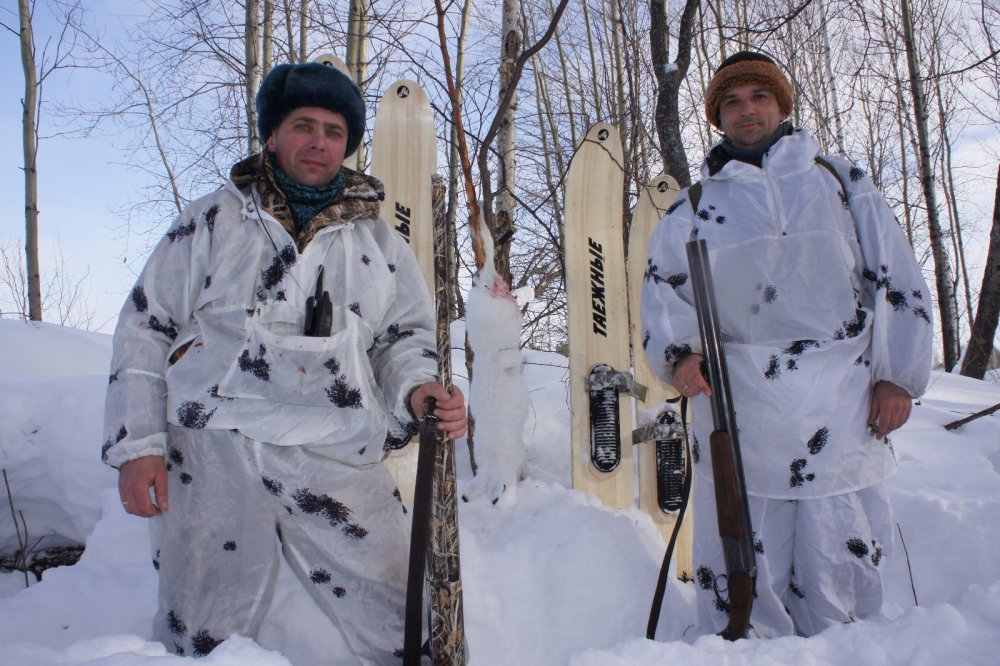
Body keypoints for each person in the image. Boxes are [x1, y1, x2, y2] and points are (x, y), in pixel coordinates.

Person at [102, 61, 466, 663]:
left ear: (347, 145)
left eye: (333, 130)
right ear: (272, 135)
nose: (319, 141)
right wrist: (137, 446)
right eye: (303, 125)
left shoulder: (379, 243)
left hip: (333, 445)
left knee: (399, 602)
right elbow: (145, 326)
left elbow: (403, 337)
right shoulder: (211, 221)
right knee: (198, 618)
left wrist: (418, 388)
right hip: (215, 446)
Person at [641, 51, 932, 638]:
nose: (747, 110)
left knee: (839, 563)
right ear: (718, 118)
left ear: (781, 105)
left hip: (843, 406)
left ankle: (849, 651)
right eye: (732, 101)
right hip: (740, 409)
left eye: (759, 97)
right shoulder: (693, 208)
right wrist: (679, 358)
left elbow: (895, 278)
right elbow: (665, 295)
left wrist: (899, 375)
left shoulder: (841, 183)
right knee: (748, 572)